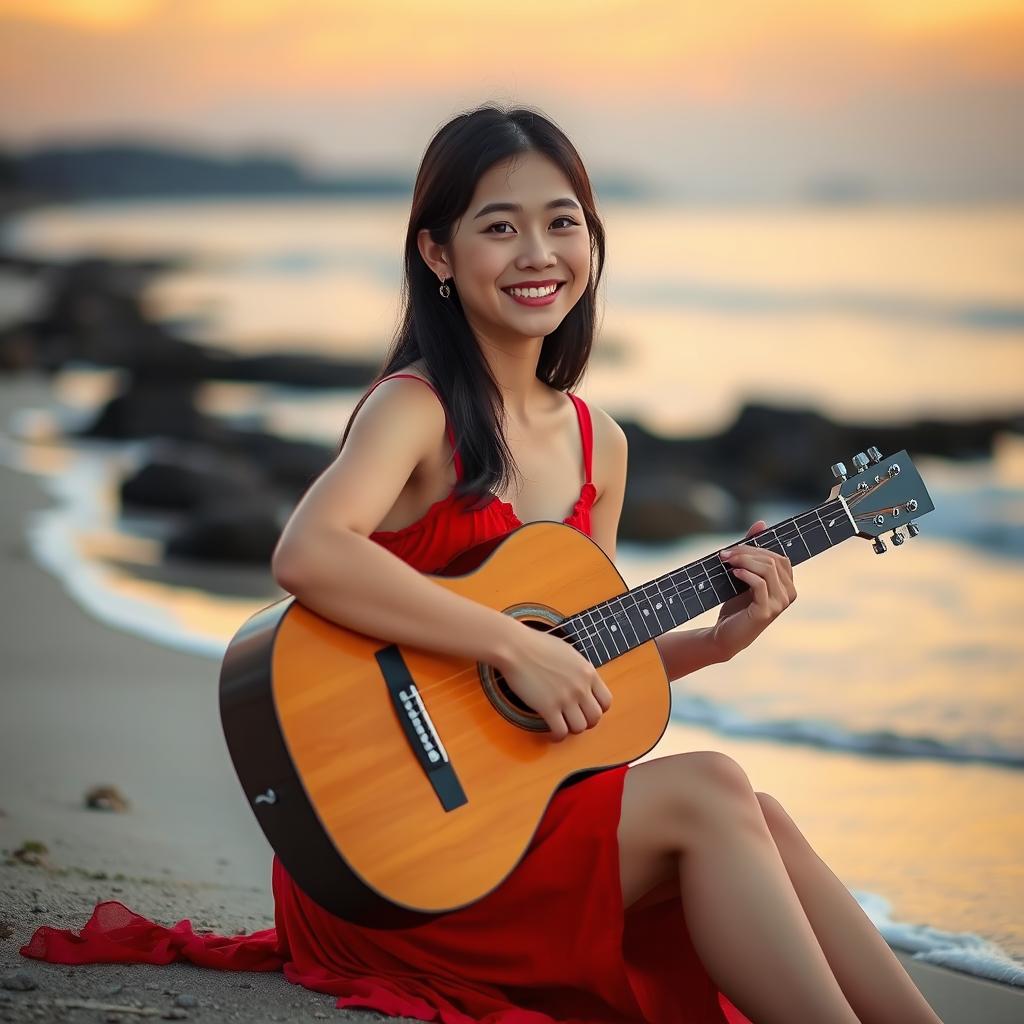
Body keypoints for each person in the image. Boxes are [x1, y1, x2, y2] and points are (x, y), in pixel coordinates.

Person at [22, 103, 943, 1024]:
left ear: (593, 241)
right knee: (713, 787)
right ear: (438, 254)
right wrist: (511, 644)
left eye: (563, 222)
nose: (538, 253)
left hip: (494, 831)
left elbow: (580, 673)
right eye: (500, 227)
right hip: (389, 860)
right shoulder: (413, 409)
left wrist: (715, 645)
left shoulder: (601, 446)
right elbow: (308, 551)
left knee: (766, 818)